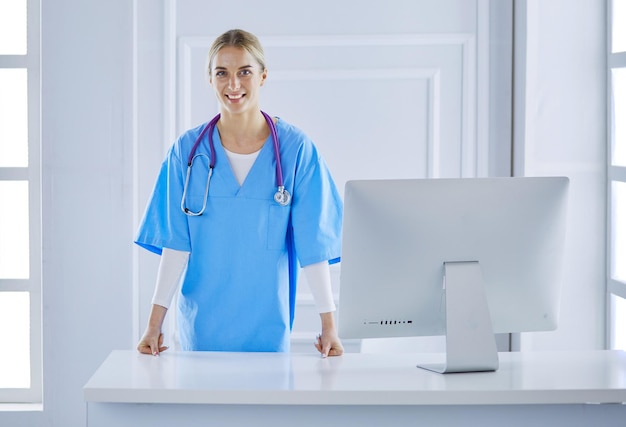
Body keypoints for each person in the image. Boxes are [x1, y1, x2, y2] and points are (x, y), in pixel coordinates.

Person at [134, 29, 344, 358]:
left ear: (262, 75)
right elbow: (175, 244)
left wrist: (329, 326)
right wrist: (154, 324)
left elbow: (313, 244)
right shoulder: (187, 152)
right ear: (210, 79)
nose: (233, 84)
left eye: (244, 72)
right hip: (202, 331)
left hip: (267, 331)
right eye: (222, 73)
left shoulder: (295, 150)